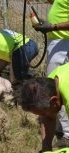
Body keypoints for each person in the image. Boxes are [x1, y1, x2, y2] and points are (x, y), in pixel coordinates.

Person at [33, 0, 69, 148]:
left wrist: (53, 26)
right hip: (58, 39)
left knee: (55, 86)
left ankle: (66, 134)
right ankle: (61, 128)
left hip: (64, 40)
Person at [19, 62, 69, 152]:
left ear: (54, 100)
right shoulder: (51, 80)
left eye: (43, 113)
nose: (43, 116)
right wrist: (46, 149)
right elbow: (48, 118)